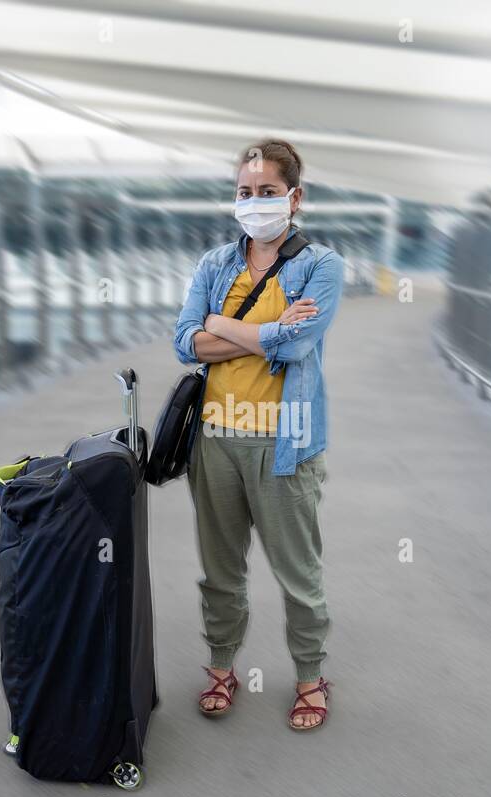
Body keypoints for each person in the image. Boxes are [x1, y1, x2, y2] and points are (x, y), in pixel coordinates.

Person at [173, 138, 343, 730]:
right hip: (214, 441)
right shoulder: (215, 264)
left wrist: (221, 327)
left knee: (298, 574)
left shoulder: (320, 266)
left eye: (267, 193)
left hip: (285, 442)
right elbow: (182, 341)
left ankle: (310, 676)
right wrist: (265, 329)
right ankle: (221, 666)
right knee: (220, 571)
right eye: (245, 193)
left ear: (293, 198)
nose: (254, 203)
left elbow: (297, 343)